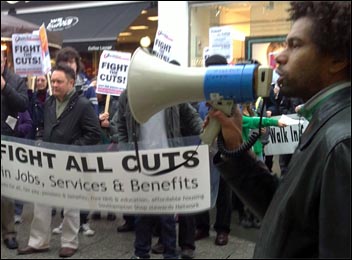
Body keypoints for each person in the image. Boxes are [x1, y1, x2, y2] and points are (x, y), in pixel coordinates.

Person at [209, 2, 350, 258]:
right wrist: (234, 148)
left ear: (337, 60)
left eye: (295, 45)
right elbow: (288, 217)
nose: (280, 56)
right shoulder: (328, 124)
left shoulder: (342, 142)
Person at [17, 63, 101, 258]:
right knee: (41, 201)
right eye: (53, 81)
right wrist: (39, 141)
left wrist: (71, 148)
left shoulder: (83, 105)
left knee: (71, 204)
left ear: (71, 83)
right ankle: (39, 242)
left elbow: (94, 134)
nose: (54, 85)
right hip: (49, 160)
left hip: (71, 162)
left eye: (59, 81)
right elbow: (41, 126)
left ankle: (70, 242)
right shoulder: (49, 103)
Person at [53, 47, 98, 236]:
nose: (69, 65)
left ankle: (83, 220)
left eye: (72, 62)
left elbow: (92, 114)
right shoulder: (55, 83)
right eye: (65, 62)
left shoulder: (86, 86)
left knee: (83, 183)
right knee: (66, 183)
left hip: (82, 143)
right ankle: (67, 219)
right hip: (64, 144)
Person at [1, 50, 29, 250]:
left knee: (6, 191)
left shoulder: (16, 80)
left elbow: (22, 104)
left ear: (4, 60)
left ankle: (9, 232)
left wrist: (4, 87)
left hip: (6, 139)